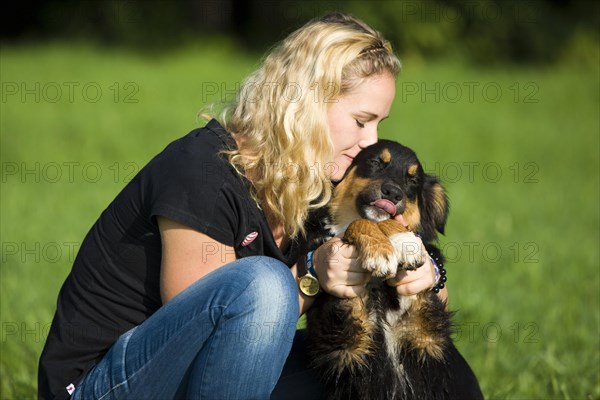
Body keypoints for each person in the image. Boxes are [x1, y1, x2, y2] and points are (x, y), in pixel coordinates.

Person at [38, 12, 460, 400]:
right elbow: (223, 326)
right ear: (307, 101)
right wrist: (312, 272)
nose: (370, 141)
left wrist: (427, 272)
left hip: (199, 379)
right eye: (361, 121)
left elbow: (429, 319)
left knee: (377, 359)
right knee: (264, 283)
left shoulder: (311, 185)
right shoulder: (200, 171)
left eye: (379, 125)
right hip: (100, 386)